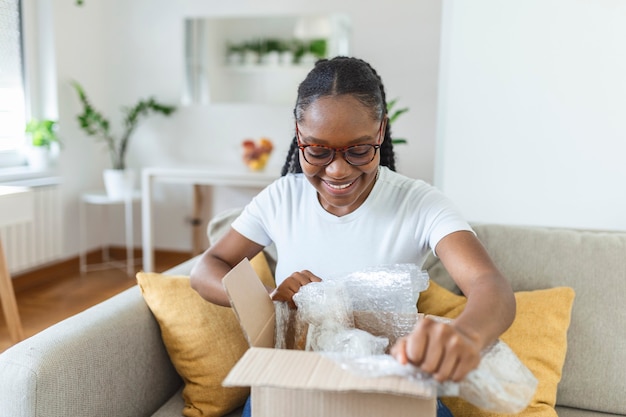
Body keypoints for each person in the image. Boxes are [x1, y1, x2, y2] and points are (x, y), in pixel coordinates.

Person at [190, 56, 516, 417]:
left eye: (359, 149)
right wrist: (268, 298)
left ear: (379, 132)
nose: (337, 170)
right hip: (295, 386)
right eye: (317, 150)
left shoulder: (418, 203)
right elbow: (207, 267)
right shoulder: (282, 198)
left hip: (388, 388)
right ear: (299, 135)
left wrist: (467, 337)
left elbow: (489, 284)